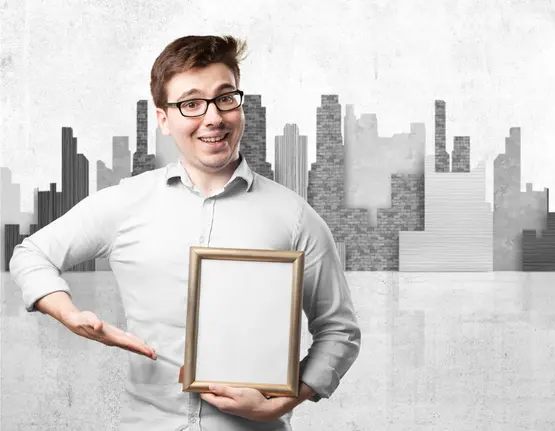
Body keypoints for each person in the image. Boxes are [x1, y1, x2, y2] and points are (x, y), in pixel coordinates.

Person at [10, 35, 361, 431]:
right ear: (163, 118)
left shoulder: (295, 217)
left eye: (225, 98)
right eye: (191, 104)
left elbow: (339, 330)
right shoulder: (127, 203)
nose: (213, 117)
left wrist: (282, 403)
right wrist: (69, 313)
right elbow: (30, 253)